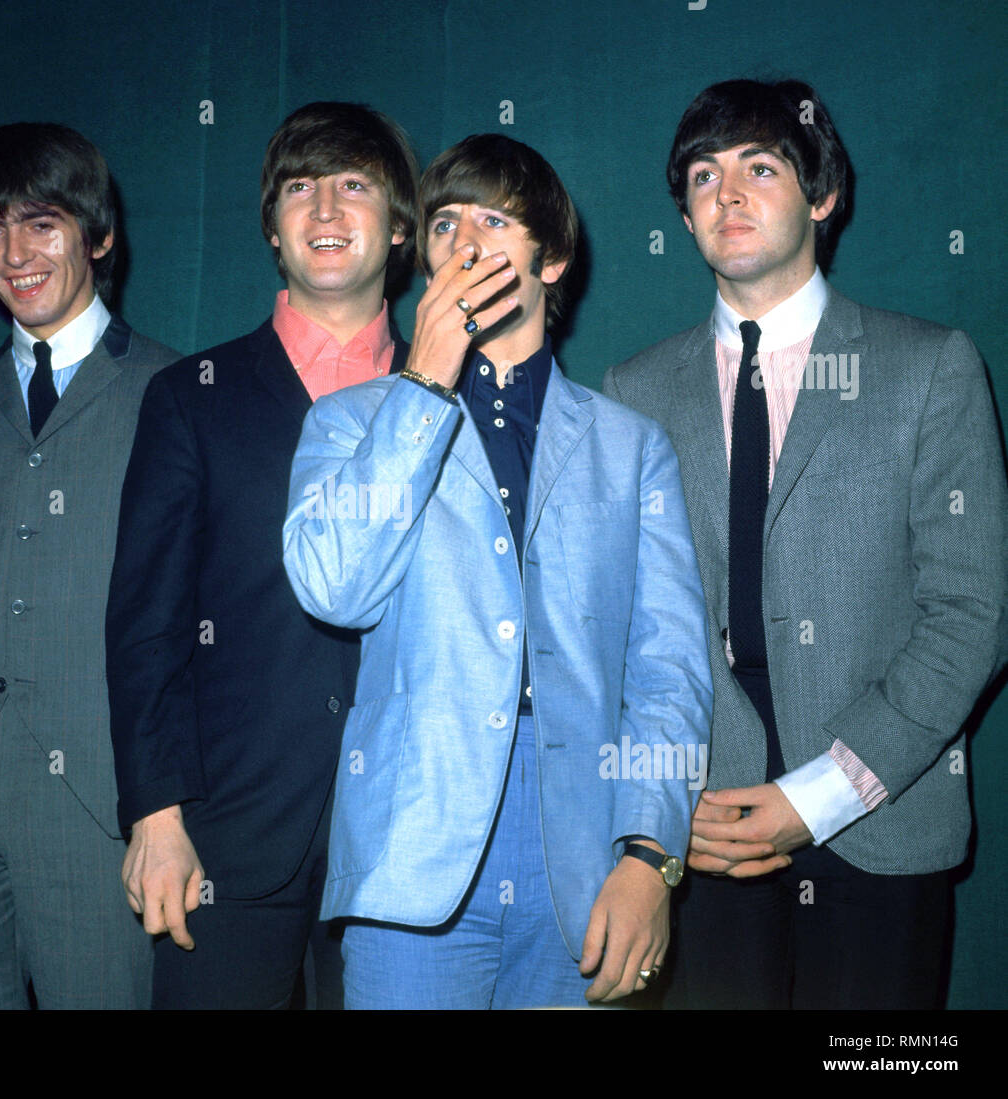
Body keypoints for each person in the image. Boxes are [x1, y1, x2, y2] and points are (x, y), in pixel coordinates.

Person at [603, 79, 1007, 1009]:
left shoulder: (929, 365)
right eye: (704, 175)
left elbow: (973, 615)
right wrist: (650, 812)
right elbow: (619, 631)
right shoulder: (633, 391)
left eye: (760, 167)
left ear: (822, 196)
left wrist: (816, 795)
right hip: (699, 833)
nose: (728, 194)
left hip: (881, 820)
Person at [282, 134, 712, 1008]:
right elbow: (331, 585)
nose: (465, 243)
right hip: (413, 857)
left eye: (492, 220)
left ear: (552, 259)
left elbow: (667, 670)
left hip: (583, 857)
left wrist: (648, 854)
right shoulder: (346, 421)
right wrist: (425, 383)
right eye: (442, 224)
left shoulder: (631, 448)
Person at [106, 101, 418, 1009]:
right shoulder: (189, 399)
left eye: (353, 186)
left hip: (410, 845)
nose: (324, 209)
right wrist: (154, 815)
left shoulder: (455, 404)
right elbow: (143, 628)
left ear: (401, 228)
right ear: (274, 233)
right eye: (298, 189)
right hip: (224, 840)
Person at [0, 122, 177, 1008]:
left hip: (102, 802)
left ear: (98, 235)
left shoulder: (176, 396)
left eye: (41, 223)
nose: (14, 254)